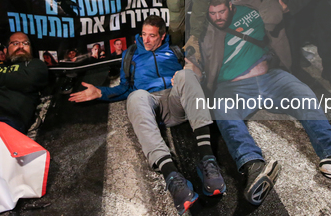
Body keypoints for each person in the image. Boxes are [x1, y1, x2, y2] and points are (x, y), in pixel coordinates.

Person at [198, 0, 331, 206]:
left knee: (304, 95)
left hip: (271, 77)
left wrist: (285, 3)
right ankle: (252, 166)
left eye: (221, 11)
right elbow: (192, 54)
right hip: (233, 87)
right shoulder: (203, 30)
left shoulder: (252, 7)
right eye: (212, 14)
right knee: (224, 113)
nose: (218, 17)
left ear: (230, 6)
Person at [68, 16, 225, 214]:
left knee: (187, 75)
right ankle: (172, 176)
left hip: (178, 103)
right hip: (152, 107)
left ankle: (208, 160)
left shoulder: (175, 51)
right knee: (135, 95)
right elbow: (125, 88)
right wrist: (101, 93)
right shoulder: (131, 54)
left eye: (152, 36)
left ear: (162, 36)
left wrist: (191, 70)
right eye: (143, 35)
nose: (146, 40)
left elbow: (193, 83)